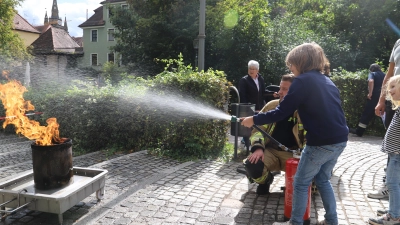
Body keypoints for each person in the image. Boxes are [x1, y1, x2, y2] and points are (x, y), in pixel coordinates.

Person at [241, 42, 348, 225]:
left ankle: (295, 222)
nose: (290, 68)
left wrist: (254, 119)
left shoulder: (302, 81)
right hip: (340, 140)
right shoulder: (327, 80)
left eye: (291, 64)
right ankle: (332, 220)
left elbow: (282, 111)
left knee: (300, 182)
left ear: (301, 62)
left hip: (320, 142)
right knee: (322, 179)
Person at [242, 74, 305, 195]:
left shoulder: (304, 111)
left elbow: (310, 137)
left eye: (285, 89)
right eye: (280, 88)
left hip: (295, 155)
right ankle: (265, 181)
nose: (280, 92)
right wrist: (258, 148)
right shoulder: (271, 106)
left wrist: (307, 156)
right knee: (252, 164)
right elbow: (257, 130)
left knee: (312, 181)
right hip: (271, 152)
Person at [369, 39, 400, 200]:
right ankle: (389, 186)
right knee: (393, 146)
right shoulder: (398, 43)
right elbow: (389, 73)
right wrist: (382, 99)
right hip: (394, 101)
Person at [369, 75, 400, 225]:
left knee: (392, 184)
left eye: (393, 87)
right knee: (395, 184)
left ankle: (394, 216)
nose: (390, 90)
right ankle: (395, 210)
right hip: (395, 154)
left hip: (398, 155)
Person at [349, 64, 385, 137]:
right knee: (383, 114)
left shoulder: (372, 74)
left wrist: (370, 93)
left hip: (374, 96)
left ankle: (359, 131)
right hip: (383, 97)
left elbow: (371, 81)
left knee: (367, 113)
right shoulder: (385, 75)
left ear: (371, 69)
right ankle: (387, 133)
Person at [238, 60, 266, 146]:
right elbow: (242, 96)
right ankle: (247, 146)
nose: (251, 70)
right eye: (250, 68)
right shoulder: (244, 80)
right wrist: (247, 108)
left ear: (258, 70)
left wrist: (273, 94)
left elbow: (263, 92)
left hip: (259, 107)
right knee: (248, 127)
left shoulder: (260, 79)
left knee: (258, 128)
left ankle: (256, 144)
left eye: (253, 69)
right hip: (249, 108)